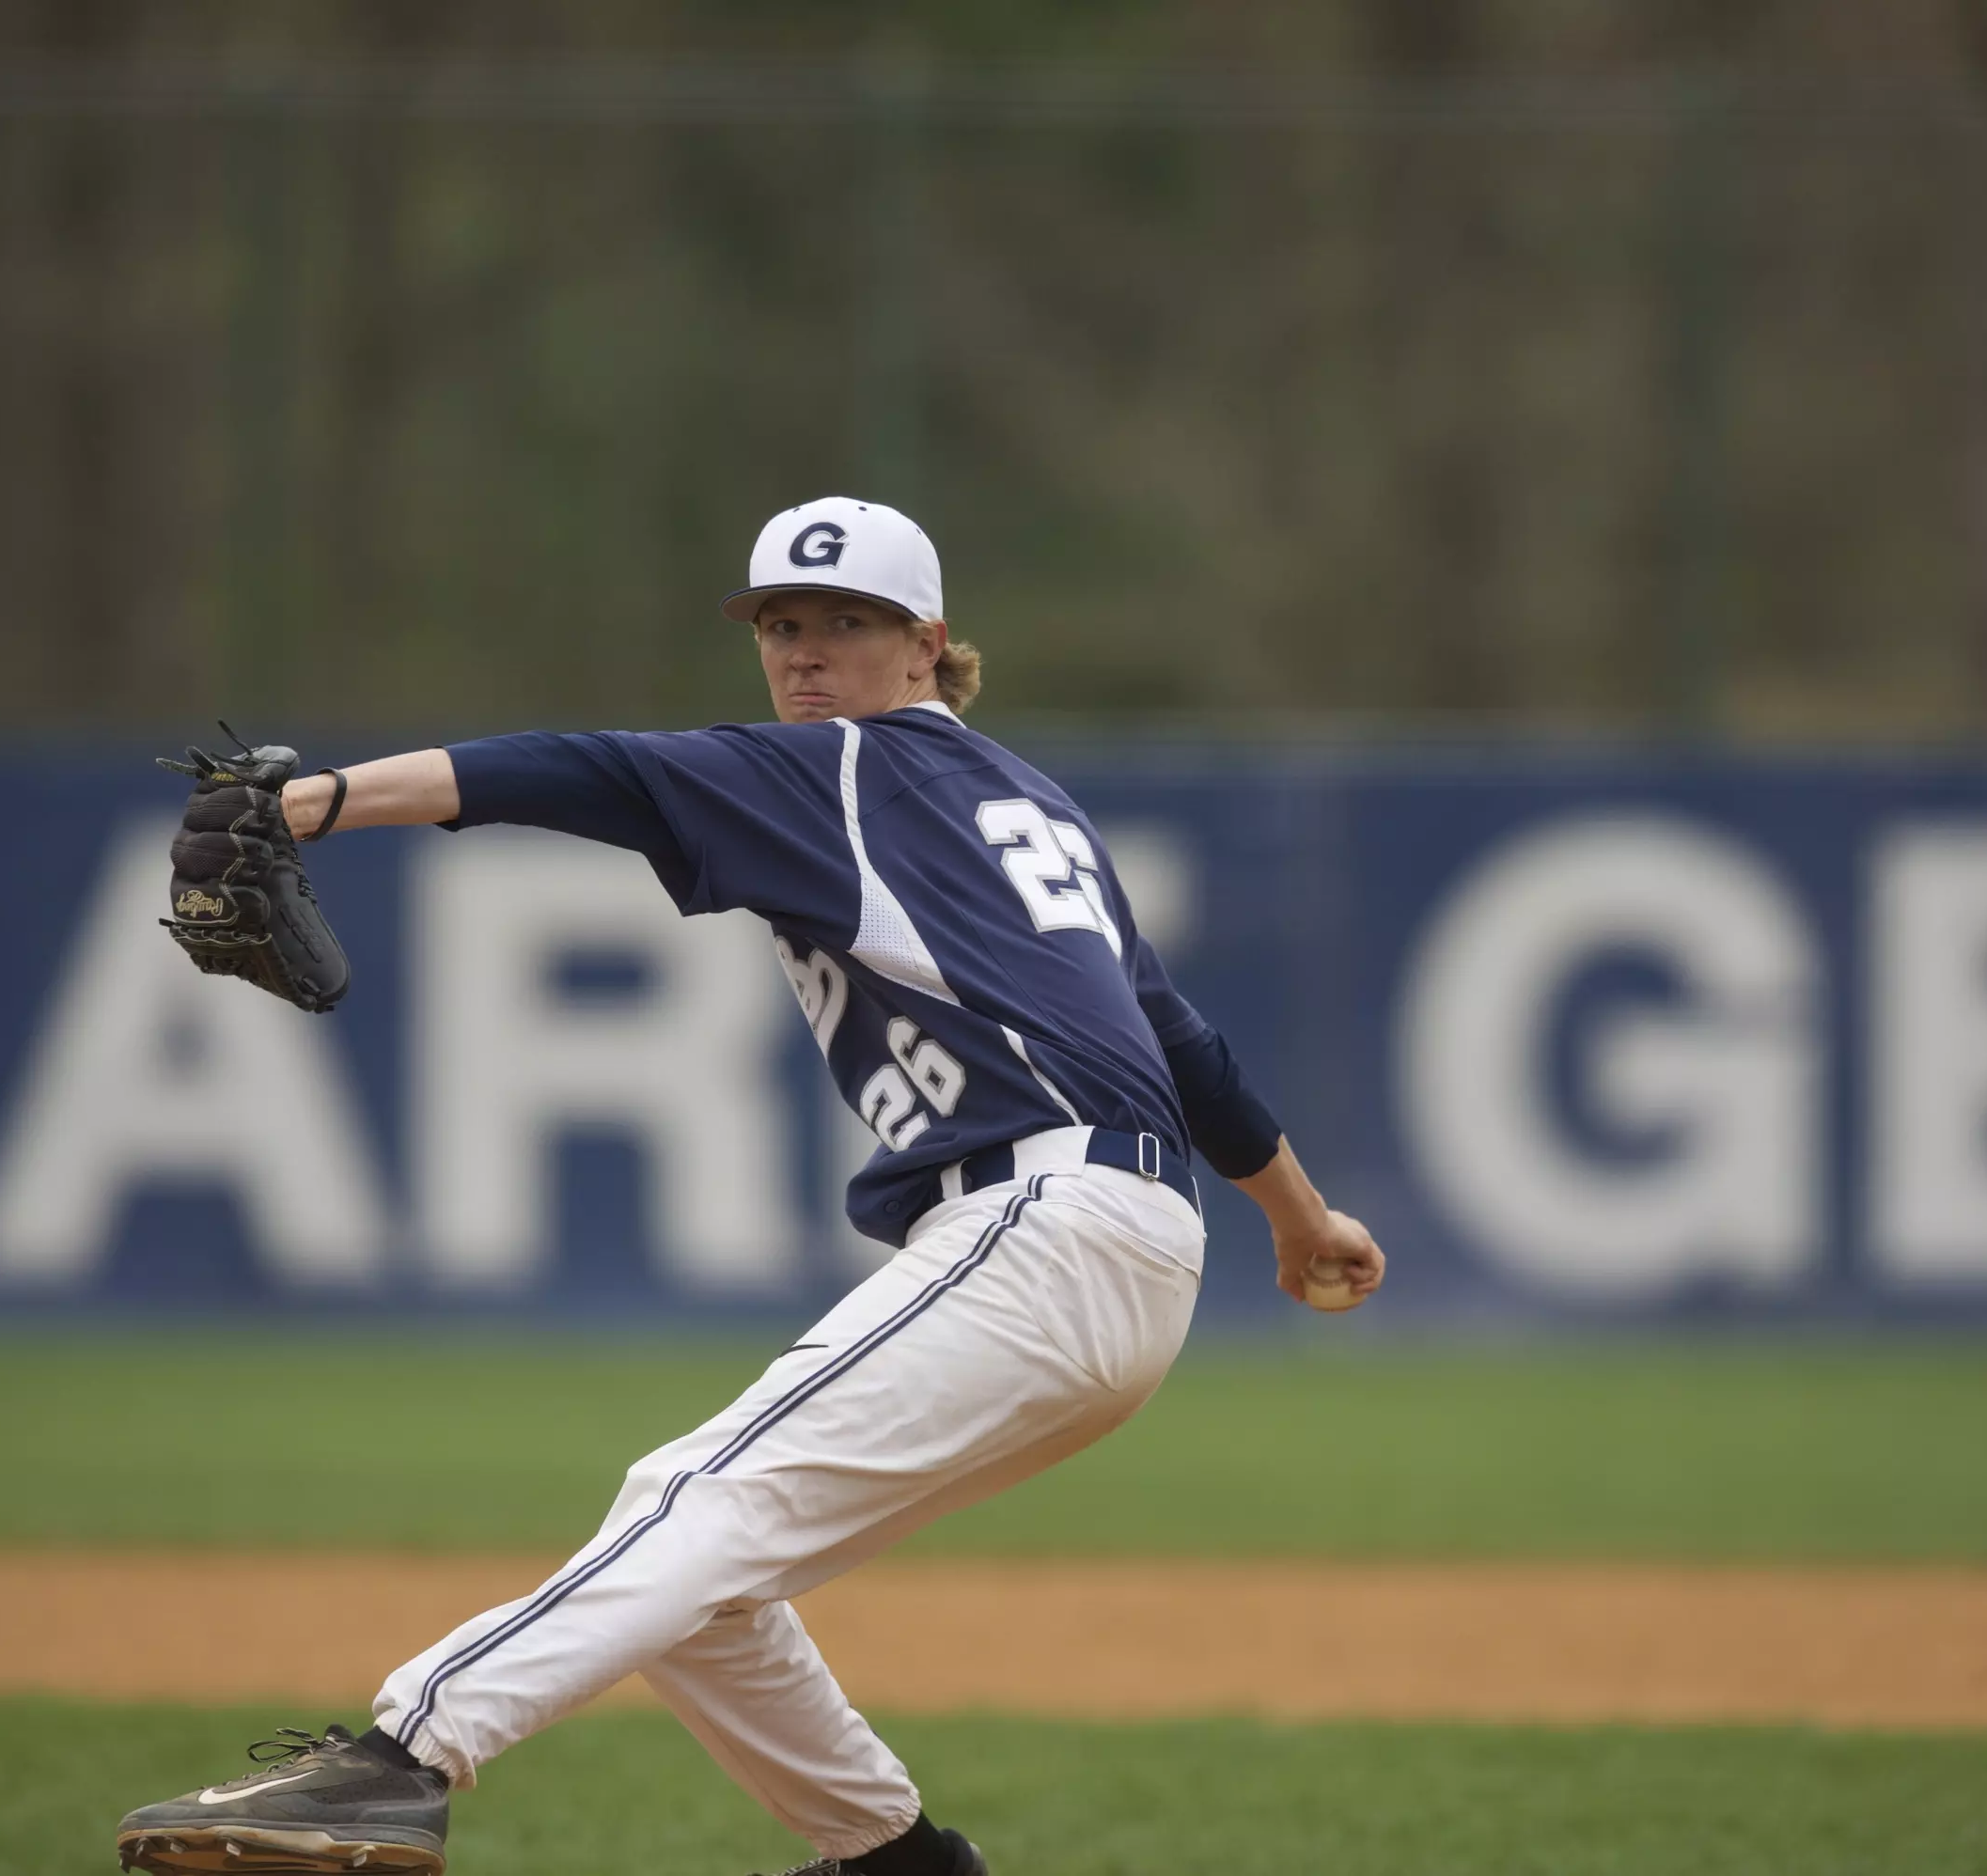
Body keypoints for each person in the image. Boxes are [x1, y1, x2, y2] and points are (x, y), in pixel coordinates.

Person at [115, 496, 1385, 1876]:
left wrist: (314, 802)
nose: (806, 654)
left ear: (927, 646)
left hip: (1045, 1226)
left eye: (848, 623)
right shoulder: (1034, 806)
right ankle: (892, 1859)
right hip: (1114, 1249)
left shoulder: (842, 768)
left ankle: (397, 1762)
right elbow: (1181, 1040)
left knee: (693, 1504)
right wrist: (1300, 1217)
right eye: (782, 626)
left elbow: (575, 770)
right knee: (711, 1575)